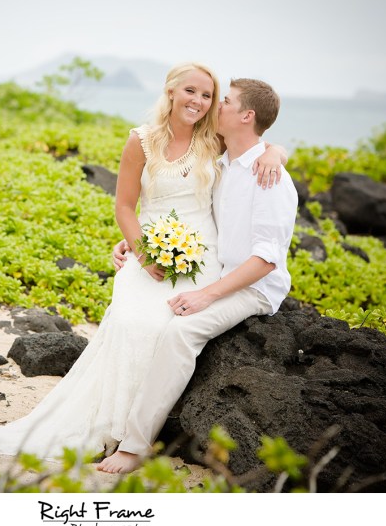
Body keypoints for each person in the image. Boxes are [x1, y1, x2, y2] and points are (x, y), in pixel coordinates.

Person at [0, 63, 287, 462]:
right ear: (171, 92)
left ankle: (131, 434)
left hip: (205, 258)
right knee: (129, 323)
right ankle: (106, 426)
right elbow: (125, 206)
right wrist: (141, 251)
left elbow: (256, 142)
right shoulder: (141, 141)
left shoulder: (213, 139)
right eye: (191, 91)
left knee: (164, 328)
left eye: (210, 96)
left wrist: (277, 151)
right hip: (150, 252)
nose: (200, 101)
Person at [97, 77, 298, 474]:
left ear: (246, 115)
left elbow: (266, 261)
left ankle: (136, 445)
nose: (215, 106)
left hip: (254, 287)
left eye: (225, 100)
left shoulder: (268, 178)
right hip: (220, 270)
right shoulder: (225, 159)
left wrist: (207, 296)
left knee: (181, 331)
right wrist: (137, 243)